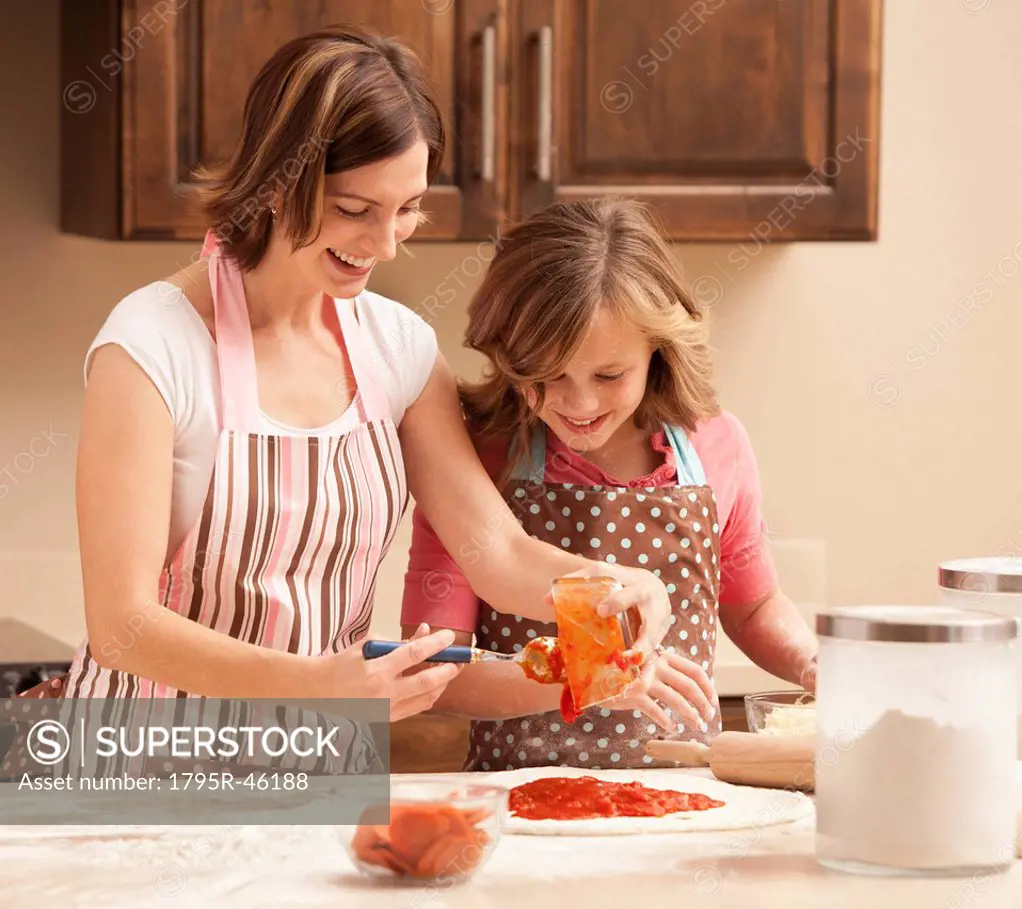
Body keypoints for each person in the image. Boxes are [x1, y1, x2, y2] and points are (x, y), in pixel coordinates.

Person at [40, 26, 675, 719]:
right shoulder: (151, 346)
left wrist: (619, 580)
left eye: (407, 211)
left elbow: (496, 551)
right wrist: (315, 685)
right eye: (353, 210)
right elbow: (122, 625)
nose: (384, 244)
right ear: (278, 181)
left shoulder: (396, 345)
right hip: (148, 767)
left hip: (320, 770)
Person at [400, 197, 819, 770]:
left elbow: (752, 608)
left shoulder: (718, 447)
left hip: (691, 798)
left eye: (609, 374)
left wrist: (810, 662)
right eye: (545, 376)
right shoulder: (474, 459)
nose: (579, 403)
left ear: (659, 350)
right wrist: (587, 676)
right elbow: (437, 671)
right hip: (521, 801)